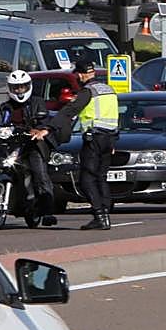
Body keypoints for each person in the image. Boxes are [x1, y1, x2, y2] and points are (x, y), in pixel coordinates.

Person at [30, 58, 119, 230]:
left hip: (95, 139)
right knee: (101, 177)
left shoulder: (88, 92)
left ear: (80, 75)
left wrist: (48, 129)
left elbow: (68, 111)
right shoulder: (109, 89)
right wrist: (114, 140)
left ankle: (99, 216)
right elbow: (115, 115)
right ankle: (105, 214)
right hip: (109, 138)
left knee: (87, 179)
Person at [0, 70, 57, 226]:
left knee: (39, 173)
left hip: (31, 144)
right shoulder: (6, 106)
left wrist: (37, 129)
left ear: (28, 87)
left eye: (22, 87)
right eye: (16, 88)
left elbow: (43, 118)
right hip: (11, 144)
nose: (19, 91)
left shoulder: (37, 102)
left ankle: (47, 212)